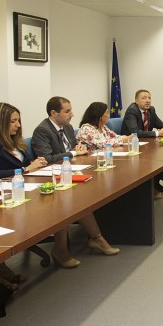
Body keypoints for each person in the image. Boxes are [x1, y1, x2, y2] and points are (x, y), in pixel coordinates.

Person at [0, 102, 80, 281]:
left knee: (62, 202)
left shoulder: (14, 140)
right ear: (0, 122)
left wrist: (37, 162)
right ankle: (0, 268)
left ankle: (61, 250)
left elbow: (25, 162)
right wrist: (25, 169)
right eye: (13, 121)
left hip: (24, 187)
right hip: (2, 195)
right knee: (58, 205)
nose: (18, 125)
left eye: (18, 121)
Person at [32, 96, 121, 264]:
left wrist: (78, 148)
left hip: (70, 171)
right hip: (51, 177)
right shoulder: (42, 130)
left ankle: (97, 238)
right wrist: (74, 153)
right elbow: (48, 157)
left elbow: (73, 148)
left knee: (85, 198)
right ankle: (62, 250)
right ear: (53, 113)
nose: (72, 114)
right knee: (69, 203)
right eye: (67, 111)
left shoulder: (67, 127)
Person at [119, 89, 163, 197]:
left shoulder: (151, 110)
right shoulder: (132, 111)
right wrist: (157, 133)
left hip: (145, 145)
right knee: (148, 163)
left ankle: (156, 186)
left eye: (149, 98)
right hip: (129, 147)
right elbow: (136, 132)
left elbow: (161, 124)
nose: (147, 101)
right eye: (144, 98)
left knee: (158, 159)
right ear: (136, 101)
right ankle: (149, 191)